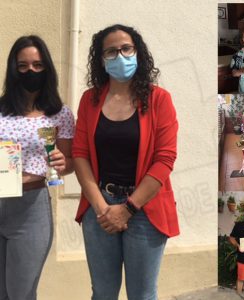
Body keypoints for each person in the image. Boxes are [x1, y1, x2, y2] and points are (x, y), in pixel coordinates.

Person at [72, 24, 179, 300]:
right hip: (100, 208)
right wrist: (101, 208)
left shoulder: (159, 100)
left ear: (137, 52)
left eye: (126, 48)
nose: (120, 56)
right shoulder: (89, 100)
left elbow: (164, 160)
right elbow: (80, 154)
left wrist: (128, 209)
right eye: (111, 51)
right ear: (101, 59)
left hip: (145, 209)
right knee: (103, 293)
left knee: (142, 295)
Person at [0, 36, 74, 299]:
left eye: (37, 65)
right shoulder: (1, 110)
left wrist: (64, 164)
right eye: (22, 66)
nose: (30, 71)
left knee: (21, 293)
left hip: (30, 207)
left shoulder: (60, 113)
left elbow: (68, 164)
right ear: (13, 69)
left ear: (47, 68)